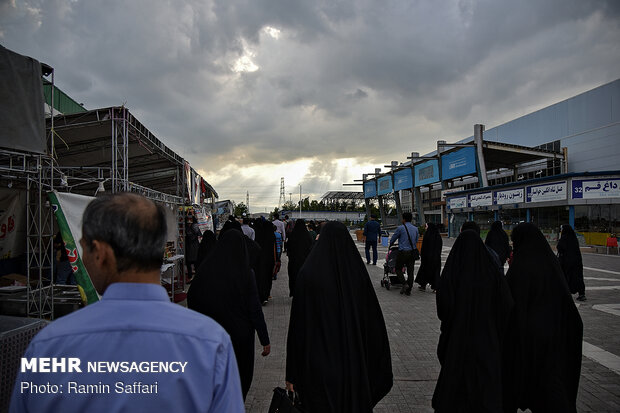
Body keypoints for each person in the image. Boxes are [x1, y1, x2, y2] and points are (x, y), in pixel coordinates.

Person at [10, 193, 244, 412]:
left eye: (82, 248)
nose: (81, 259)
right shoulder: (211, 343)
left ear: (100, 253)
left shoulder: (49, 346)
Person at [285, 221, 393, 412]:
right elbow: (373, 324)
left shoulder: (308, 275)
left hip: (316, 369)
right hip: (353, 368)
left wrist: (292, 373)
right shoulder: (357, 276)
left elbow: (297, 329)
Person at [502, 223, 583, 412]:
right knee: (552, 391)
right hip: (556, 342)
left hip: (529, 344)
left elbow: (509, 306)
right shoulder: (552, 265)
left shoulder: (520, 267)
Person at [432, 229, 513, 412]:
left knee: (455, 386)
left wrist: (454, 320)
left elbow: (443, 305)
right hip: (487, 340)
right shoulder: (492, 272)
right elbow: (506, 305)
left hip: (456, 339)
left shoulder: (453, 270)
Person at [188, 229, 270, 400]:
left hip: (211, 336)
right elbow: (254, 309)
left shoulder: (206, 270)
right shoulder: (246, 273)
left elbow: (192, 297)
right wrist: (265, 340)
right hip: (240, 338)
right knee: (240, 377)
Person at [389, 212, 419, 295]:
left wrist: (391, 244)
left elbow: (393, 239)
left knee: (398, 269)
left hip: (402, 252)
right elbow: (416, 240)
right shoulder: (415, 228)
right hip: (412, 252)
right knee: (410, 271)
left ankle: (404, 284)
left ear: (404, 219)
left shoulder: (400, 228)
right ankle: (409, 289)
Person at [557, 224, 586, 301]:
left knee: (566, 277)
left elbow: (560, 248)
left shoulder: (564, 238)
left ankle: (566, 293)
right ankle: (582, 294)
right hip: (577, 262)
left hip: (566, 262)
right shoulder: (574, 238)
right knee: (578, 277)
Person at [286, 218, 313, 297]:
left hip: (293, 261)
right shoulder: (307, 235)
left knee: (294, 277)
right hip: (305, 261)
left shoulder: (292, 235)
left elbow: (288, 247)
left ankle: (294, 292)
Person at [414, 222, 442, 291]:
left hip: (427, 258)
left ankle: (423, 285)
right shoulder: (438, 236)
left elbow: (424, 247)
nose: (426, 228)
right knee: (435, 273)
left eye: (426, 226)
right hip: (436, 258)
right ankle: (435, 287)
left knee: (424, 271)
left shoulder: (427, 235)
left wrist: (422, 255)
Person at [255, 219, 276, 305]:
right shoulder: (272, 236)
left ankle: (261, 295)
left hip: (260, 260)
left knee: (260, 277)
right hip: (269, 260)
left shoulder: (259, 234)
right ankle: (266, 295)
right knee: (268, 278)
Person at [185, 214, 202, 280]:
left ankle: (192, 276)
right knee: (190, 262)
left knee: (193, 261)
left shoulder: (193, 226)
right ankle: (190, 276)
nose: (189, 222)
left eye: (190, 220)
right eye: (188, 220)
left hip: (193, 246)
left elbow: (195, 235)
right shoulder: (188, 227)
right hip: (190, 246)